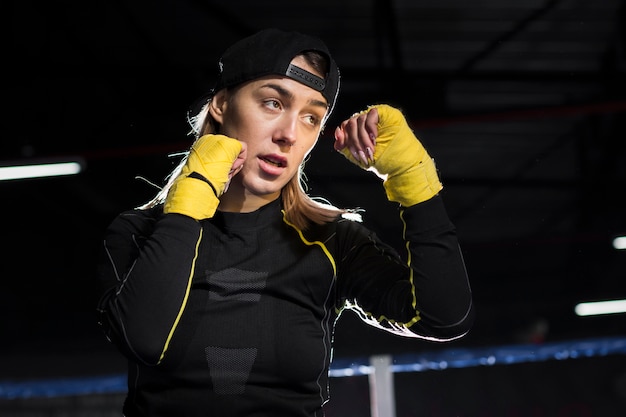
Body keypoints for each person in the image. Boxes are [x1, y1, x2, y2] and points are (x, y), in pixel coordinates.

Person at [95, 28, 474, 417]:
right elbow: (143, 340)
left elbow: (444, 318)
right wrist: (189, 201)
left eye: (311, 117)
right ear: (222, 104)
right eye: (273, 103)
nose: (289, 134)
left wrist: (414, 182)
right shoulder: (137, 232)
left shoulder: (331, 240)